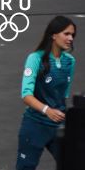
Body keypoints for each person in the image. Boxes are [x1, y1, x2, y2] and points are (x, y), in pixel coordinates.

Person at [16, 15, 76, 170]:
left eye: (73, 35)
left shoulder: (69, 61)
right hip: (35, 125)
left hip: (58, 125)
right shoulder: (35, 59)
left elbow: (63, 95)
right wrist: (46, 110)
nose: (70, 38)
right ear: (53, 35)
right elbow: (26, 95)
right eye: (66, 34)